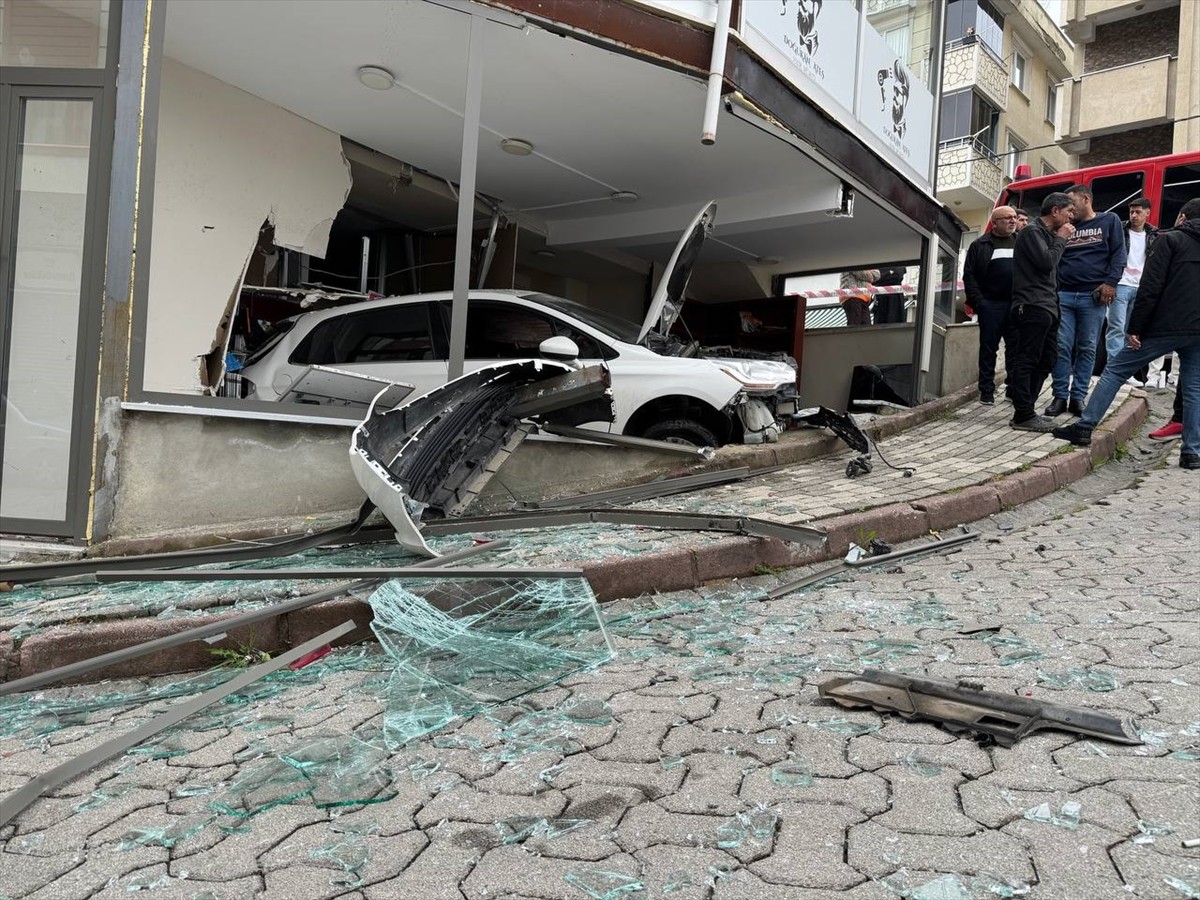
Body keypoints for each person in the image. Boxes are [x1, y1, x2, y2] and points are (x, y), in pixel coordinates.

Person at [1052, 199, 1200, 470]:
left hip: (1165, 326)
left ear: (1182, 217)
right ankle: (1191, 453)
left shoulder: (1170, 240)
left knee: (1115, 369)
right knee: (1194, 390)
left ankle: (1084, 428)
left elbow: (1150, 287)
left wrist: (1135, 328)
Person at [1045, 183, 1126, 417]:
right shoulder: (1065, 227)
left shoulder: (1109, 221)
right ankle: (1060, 396)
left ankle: (1078, 397)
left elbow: (1119, 254)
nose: (1069, 209)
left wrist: (1111, 283)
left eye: (1072, 203)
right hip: (1064, 295)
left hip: (1094, 297)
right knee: (1061, 346)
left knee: (1088, 347)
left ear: (1086, 199)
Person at [1007, 193, 1075, 431]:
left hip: (1047, 306)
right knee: (1027, 359)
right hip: (1031, 305)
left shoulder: (1047, 235)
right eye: (1069, 212)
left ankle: (1026, 411)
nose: (1071, 219)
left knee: (1047, 359)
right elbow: (1047, 262)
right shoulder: (1032, 232)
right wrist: (1062, 238)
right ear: (1055, 211)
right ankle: (1023, 414)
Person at [964, 206, 1020, 404]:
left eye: (1014, 217)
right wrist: (980, 303)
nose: (1013, 221)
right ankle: (986, 390)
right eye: (1007, 218)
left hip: (1016, 304)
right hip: (991, 305)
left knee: (1015, 348)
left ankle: (1013, 389)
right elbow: (969, 276)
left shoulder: (1021, 242)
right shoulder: (980, 245)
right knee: (989, 349)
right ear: (995, 223)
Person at [1108, 197, 1158, 376]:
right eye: (1131, 212)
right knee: (1116, 328)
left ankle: (1126, 373)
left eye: (1138, 212)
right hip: (1120, 284)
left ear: (1147, 213)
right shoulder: (1120, 230)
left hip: (1140, 287)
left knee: (1132, 332)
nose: (1134, 215)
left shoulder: (1154, 234)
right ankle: (1114, 371)